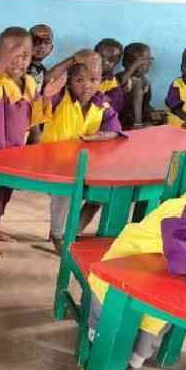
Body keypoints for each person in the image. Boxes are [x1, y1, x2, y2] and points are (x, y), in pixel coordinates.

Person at [87, 117, 186, 370]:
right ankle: (101, 366)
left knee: (153, 333)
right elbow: (183, 256)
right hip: (132, 262)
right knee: (118, 328)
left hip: (173, 266)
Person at [0, 26, 64, 242]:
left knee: (4, 193)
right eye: (13, 56)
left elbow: (34, 115)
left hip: (15, 151)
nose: (19, 62)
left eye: (25, 56)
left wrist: (46, 98)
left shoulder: (28, 83)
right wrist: (0, 66)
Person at [41, 51, 122, 251]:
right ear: (68, 81)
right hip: (53, 163)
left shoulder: (102, 103)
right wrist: (71, 60)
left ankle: (72, 231)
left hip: (85, 164)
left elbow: (115, 129)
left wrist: (104, 135)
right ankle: (58, 236)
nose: (87, 85)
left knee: (101, 194)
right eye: (80, 80)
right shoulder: (60, 98)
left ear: (101, 80)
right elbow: (49, 77)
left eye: (94, 79)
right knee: (64, 196)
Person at [117, 42, 160, 129]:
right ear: (125, 63)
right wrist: (134, 67)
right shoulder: (120, 76)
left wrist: (151, 113)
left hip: (138, 114)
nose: (144, 66)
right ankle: (137, 124)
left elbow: (146, 104)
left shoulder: (145, 81)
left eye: (146, 62)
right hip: (121, 115)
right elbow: (121, 84)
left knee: (161, 119)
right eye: (138, 63)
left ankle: (140, 123)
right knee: (136, 84)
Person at [94, 38, 124, 113]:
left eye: (111, 59)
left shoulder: (113, 85)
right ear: (93, 54)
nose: (105, 62)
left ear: (116, 63)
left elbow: (112, 109)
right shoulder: (80, 72)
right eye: (101, 56)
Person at [26, 24, 54, 91]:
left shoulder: (43, 70)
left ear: (51, 49)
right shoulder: (20, 66)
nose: (42, 45)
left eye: (46, 42)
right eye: (36, 41)